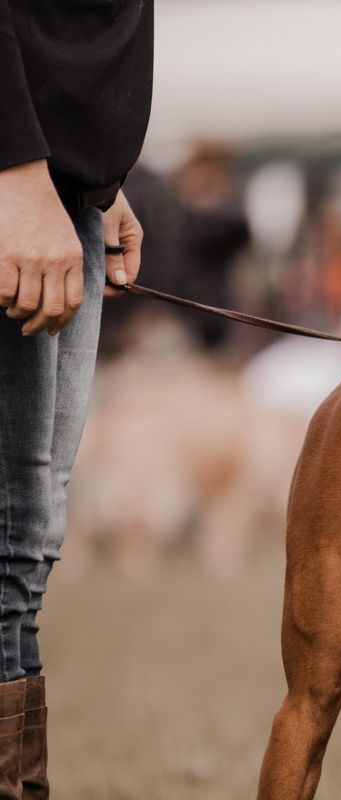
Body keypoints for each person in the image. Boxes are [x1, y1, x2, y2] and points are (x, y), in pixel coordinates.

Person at [0, 0, 153, 792]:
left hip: (69, 192)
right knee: (7, 548)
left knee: (28, 550)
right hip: (20, 187)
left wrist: (101, 170)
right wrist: (16, 165)